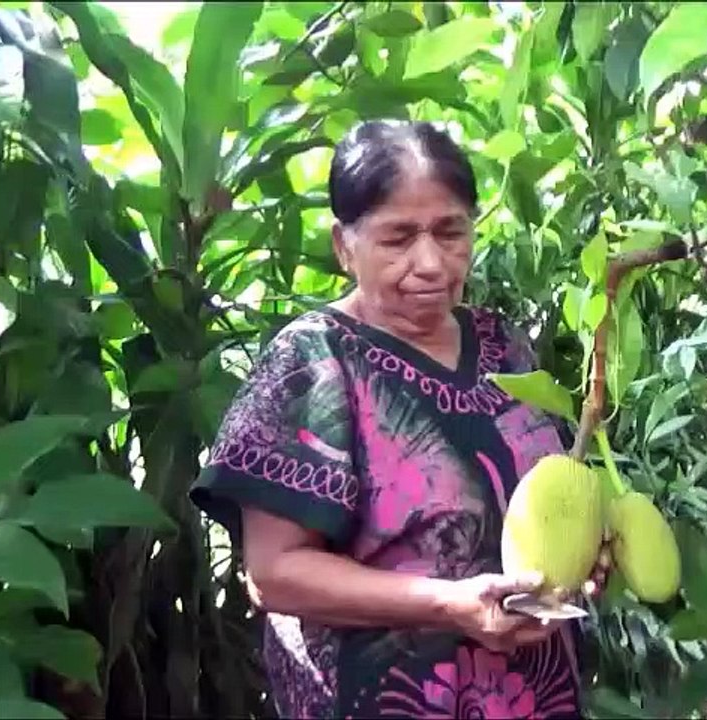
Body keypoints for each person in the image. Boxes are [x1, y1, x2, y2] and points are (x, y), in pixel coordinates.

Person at [189, 119, 609, 718]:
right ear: (344, 246)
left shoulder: (505, 346)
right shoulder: (312, 363)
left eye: (450, 232)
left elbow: (546, 497)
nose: (431, 263)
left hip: (532, 694)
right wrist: (448, 604)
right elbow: (274, 573)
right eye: (398, 238)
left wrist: (584, 549)